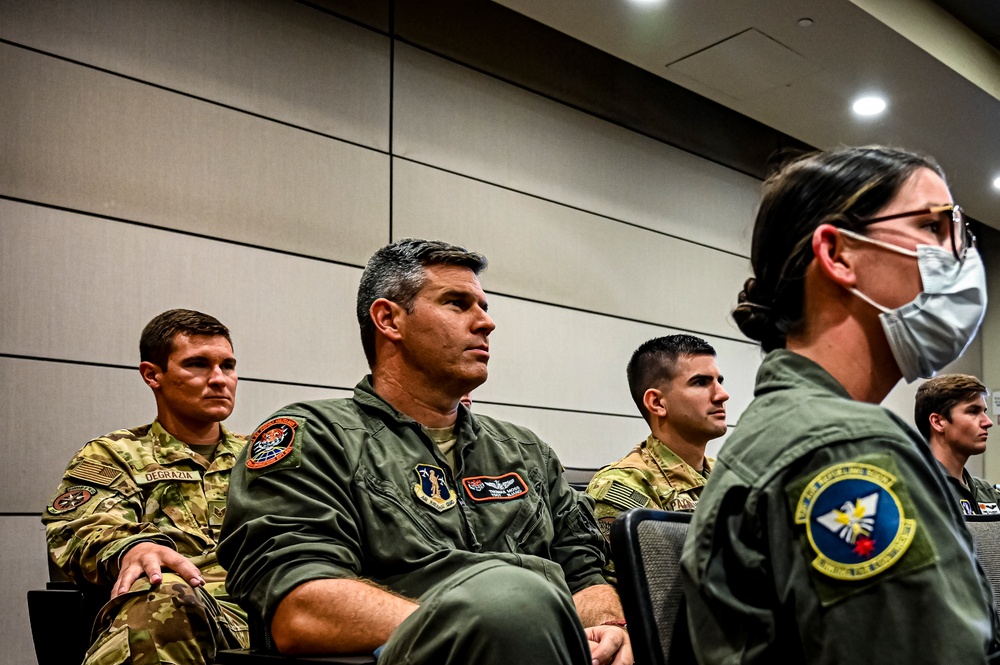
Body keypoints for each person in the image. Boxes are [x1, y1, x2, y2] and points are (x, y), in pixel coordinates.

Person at [219, 239, 632, 665]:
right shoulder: (316, 436)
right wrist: (483, 624)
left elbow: (583, 573)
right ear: (389, 320)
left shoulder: (526, 451)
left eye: (484, 307)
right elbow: (300, 606)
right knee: (514, 599)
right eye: (457, 303)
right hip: (403, 657)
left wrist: (608, 628)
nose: (485, 323)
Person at [680, 146, 997, 663]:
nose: (959, 256)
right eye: (933, 227)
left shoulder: (794, 429)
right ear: (838, 254)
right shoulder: (846, 448)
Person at [43, 309, 249, 664]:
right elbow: (78, 527)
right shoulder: (115, 454)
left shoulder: (261, 455)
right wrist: (133, 548)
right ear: (153, 375)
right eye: (198, 364)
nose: (219, 379)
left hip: (268, 612)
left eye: (227, 366)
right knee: (162, 596)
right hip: (185, 610)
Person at [587, 335, 728, 579]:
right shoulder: (624, 485)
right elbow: (646, 595)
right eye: (701, 382)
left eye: (719, 381)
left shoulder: (727, 475)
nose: (722, 395)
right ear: (657, 402)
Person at [916, 373, 1000, 515]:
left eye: (984, 412)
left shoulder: (987, 493)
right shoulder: (918, 490)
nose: (988, 422)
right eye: (973, 411)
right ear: (938, 422)